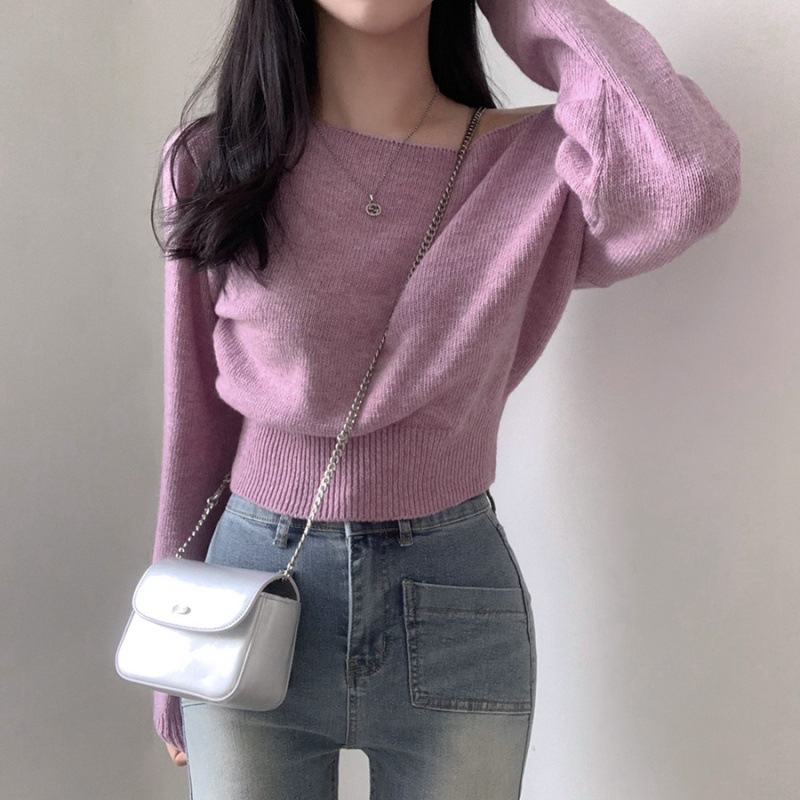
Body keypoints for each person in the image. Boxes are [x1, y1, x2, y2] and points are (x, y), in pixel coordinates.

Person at [148, 0, 741, 796]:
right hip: (250, 590)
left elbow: (691, 180)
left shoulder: (539, 164)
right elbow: (195, 417)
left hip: (455, 598)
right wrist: (174, 631)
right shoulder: (213, 159)